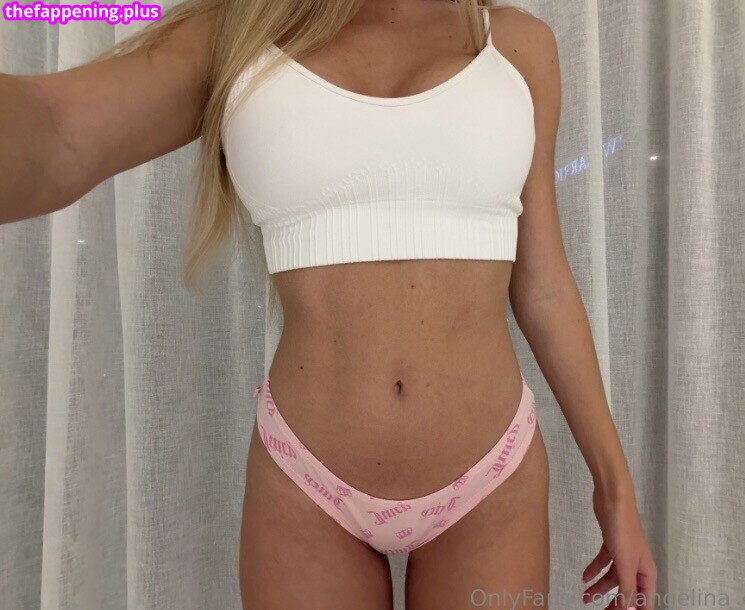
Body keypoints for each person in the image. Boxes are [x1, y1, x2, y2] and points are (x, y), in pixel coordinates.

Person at [0, 1, 656, 608]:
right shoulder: (241, 34)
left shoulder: (517, 47)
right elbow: (57, 131)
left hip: (491, 483)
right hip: (306, 485)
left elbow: (544, 282)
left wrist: (615, 487)